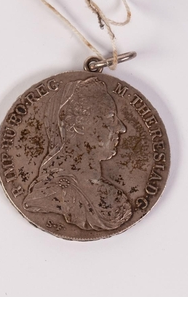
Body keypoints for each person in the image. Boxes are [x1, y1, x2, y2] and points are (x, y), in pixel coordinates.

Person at [23, 77, 132, 231]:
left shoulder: (111, 196)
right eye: (111, 117)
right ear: (77, 123)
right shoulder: (47, 195)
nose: (121, 128)